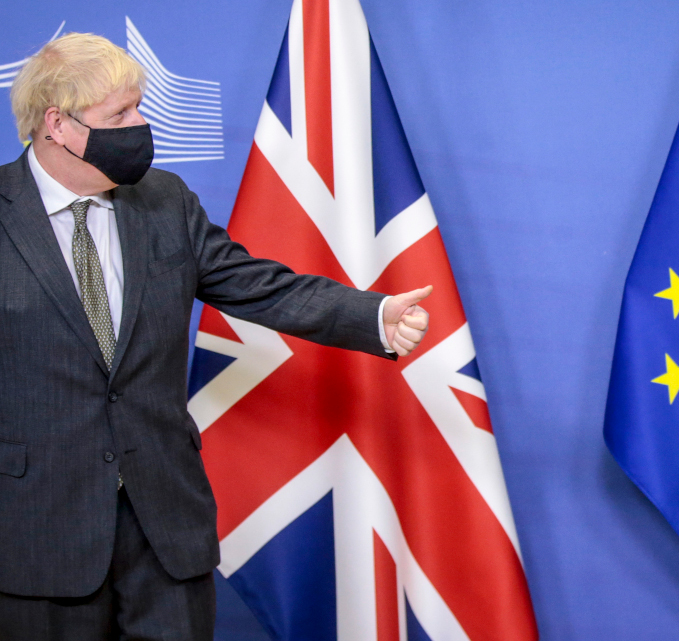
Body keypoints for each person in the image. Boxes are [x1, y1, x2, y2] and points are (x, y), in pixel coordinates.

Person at [0, 33, 431, 639]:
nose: (140, 125)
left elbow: (258, 285)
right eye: (119, 114)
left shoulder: (164, 202)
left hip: (165, 527)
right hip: (35, 534)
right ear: (58, 125)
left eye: (139, 107)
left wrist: (372, 314)